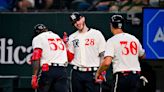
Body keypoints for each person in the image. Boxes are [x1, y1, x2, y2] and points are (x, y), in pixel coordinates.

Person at [95, 14, 146, 92]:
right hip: (135, 76)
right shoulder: (133, 38)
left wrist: (98, 72)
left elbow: (107, 63)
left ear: (111, 25)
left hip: (122, 76)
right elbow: (143, 56)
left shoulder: (112, 40)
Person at [64, 12, 106, 92]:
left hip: (93, 72)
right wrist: (66, 47)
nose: (77, 23)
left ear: (83, 18)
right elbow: (69, 58)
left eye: (78, 20)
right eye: (74, 22)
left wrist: (102, 71)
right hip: (77, 72)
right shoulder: (72, 37)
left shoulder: (96, 34)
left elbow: (102, 54)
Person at [30, 24, 68, 92]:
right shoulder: (56, 36)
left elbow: (36, 56)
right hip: (62, 70)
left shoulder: (38, 37)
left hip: (48, 70)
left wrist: (34, 76)